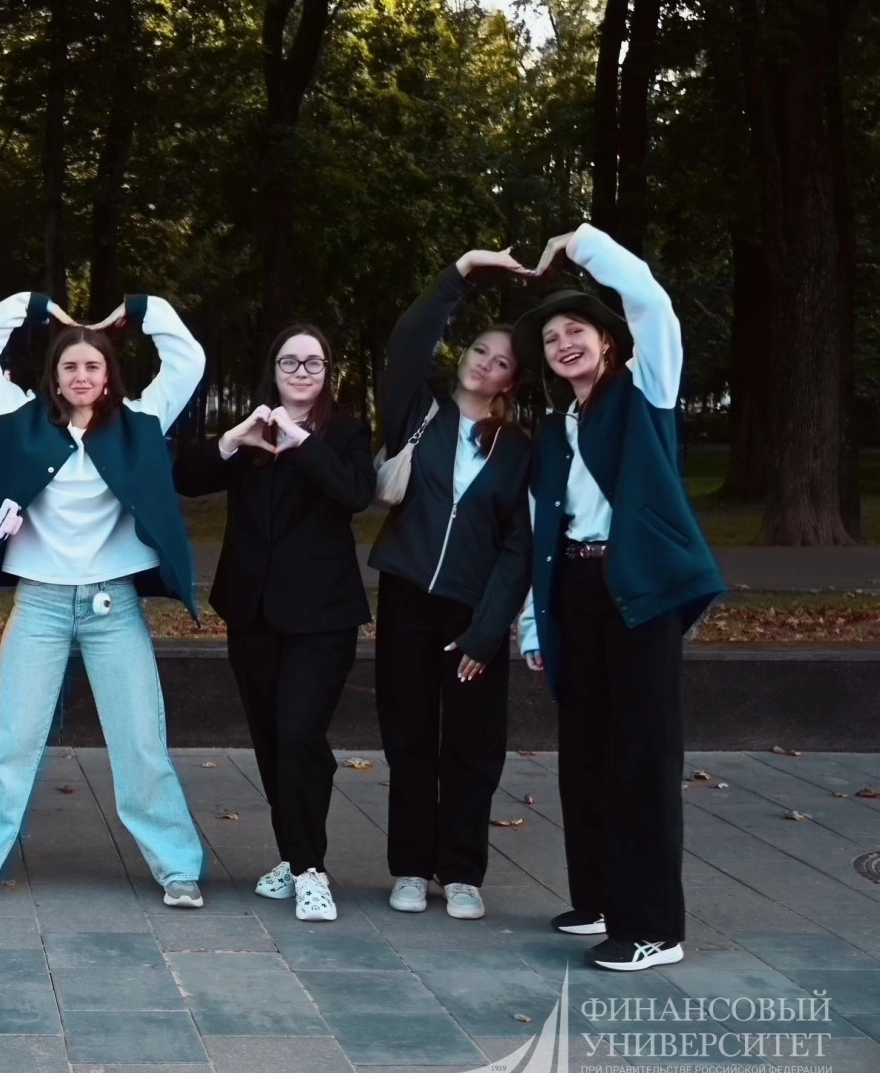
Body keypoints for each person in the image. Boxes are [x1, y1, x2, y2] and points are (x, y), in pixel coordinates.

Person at [0, 291, 207, 912]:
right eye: (70, 366)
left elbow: (188, 359)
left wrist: (138, 310)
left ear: (110, 374)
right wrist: (36, 307)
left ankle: (178, 869)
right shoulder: (20, 419)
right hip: (40, 604)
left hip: (115, 606)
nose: (82, 375)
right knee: (10, 739)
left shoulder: (141, 422)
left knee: (141, 742)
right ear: (54, 376)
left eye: (93, 365)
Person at [515, 223, 724, 973]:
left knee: (641, 756)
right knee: (587, 752)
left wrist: (581, 243)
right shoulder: (556, 429)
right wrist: (533, 622)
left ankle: (654, 927)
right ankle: (602, 898)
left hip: (638, 590)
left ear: (608, 341)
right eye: (551, 339)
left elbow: (653, 304)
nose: (564, 343)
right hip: (576, 590)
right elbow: (542, 527)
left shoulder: (645, 392)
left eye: (577, 330)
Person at [175, 325, 375, 924]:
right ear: (274, 368)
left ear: (328, 372)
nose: (301, 371)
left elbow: (354, 493)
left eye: (314, 362)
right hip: (252, 610)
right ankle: (293, 855)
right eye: (290, 361)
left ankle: (311, 870)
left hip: (322, 616)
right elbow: (187, 479)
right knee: (269, 738)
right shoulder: (251, 430)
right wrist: (232, 442)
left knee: (299, 735)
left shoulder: (345, 433)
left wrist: (300, 439)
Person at [368, 251, 533, 922]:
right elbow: (408, 340)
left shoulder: (518, 449)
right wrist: (460, 273)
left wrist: (487, 632)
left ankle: (461, 871)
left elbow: (519, 545)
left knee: (472, 743)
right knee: (407, 734)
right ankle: (411, 866)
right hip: (407, 597)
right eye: (479, 349)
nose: (484, 363)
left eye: (501, 361)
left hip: (473, 612)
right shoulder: (420, 410)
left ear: (512, 382)